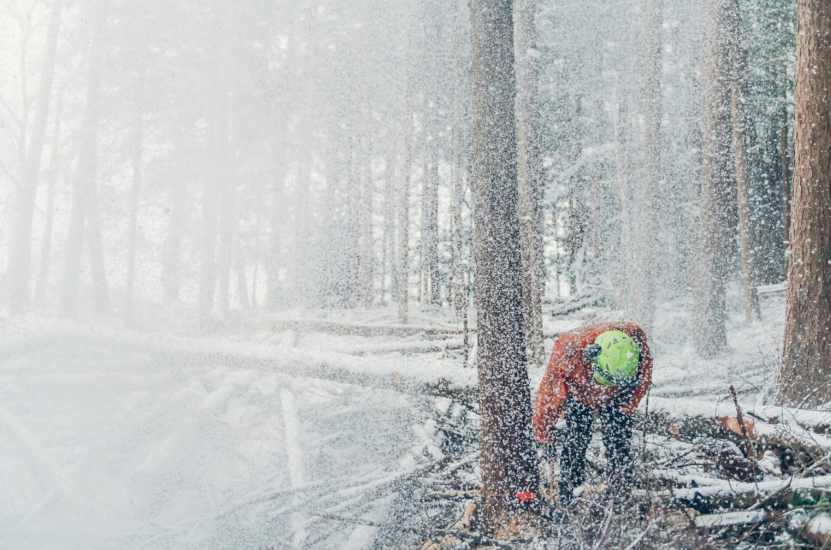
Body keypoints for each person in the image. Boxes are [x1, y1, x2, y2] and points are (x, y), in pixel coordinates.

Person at [533, 322, 653, 512]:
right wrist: (545, 438)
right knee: (576, 440)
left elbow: (641, 386)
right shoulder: (569, 351)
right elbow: (548, 396)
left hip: (621, 397)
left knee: (619, 443)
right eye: (606, 382)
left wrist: (624, 409)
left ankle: (619, 498)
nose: (607, 389)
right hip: (580, 393)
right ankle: (569, 498)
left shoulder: (637, 351)